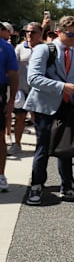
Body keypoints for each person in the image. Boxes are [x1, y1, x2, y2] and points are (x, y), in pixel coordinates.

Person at [24, 16, 74, 204]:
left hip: (68, 107)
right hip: (45, 107)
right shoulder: (44, 50)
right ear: (59, 32)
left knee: (66, 148)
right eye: (70, 34)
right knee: (43, 148)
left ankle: (67, 186)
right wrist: (62, 87)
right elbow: (33, 78)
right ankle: (36, 187)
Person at [11, 23, 39, 158]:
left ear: (40, 33)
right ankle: (17, 144)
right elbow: (14, 68)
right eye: (27, 31)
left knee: (37, 119)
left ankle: (42, 145)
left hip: (38, 92)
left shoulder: (45, 48)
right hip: (22, 90)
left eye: (33, 32)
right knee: (19, 118)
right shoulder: (20, 48)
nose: (29, 34)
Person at [0, 21, 18, 191]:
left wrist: (11, 100)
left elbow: (13, 74)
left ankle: (0, 175)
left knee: (0, 137)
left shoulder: (6, 48)